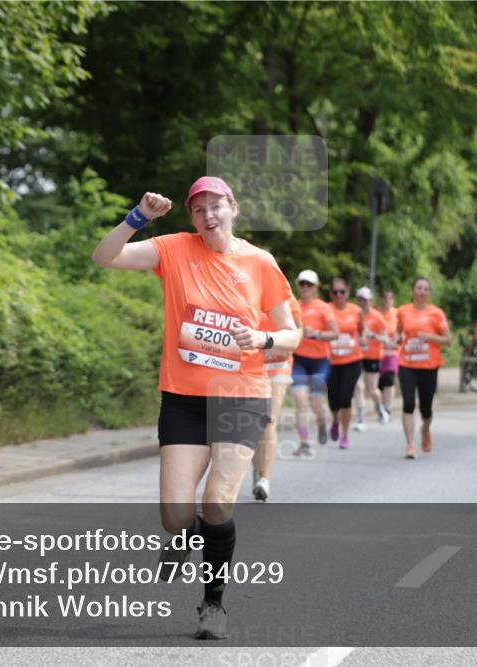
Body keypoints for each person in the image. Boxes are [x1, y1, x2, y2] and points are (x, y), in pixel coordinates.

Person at [91, 177, 299, 640]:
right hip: (184, 400)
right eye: (199, 209)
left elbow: (291, 333)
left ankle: (213, 603)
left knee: (219, 503)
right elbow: (104, 257)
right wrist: (138, 218)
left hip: (241, 393)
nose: (209, 215)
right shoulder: (173, 249)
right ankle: (186, 536)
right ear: (191, 217)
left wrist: (264, 338)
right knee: (175, 517)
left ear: (233, 208)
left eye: (216, 206)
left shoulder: (260, 263)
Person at [252, 294, 303, 501]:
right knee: (253, 423)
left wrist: (284, 345)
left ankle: (265, 479)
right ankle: (258, 469)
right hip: (252, 367)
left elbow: (298, 331)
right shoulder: (246, 290)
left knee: (268, 419)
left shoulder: (285, 295)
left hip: (279, 366)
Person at [396, 277, 452, 459]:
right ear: (412, 291)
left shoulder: (437, 313)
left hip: (429, 365)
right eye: (418, 288)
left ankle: (425, 429)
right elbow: (398, 332)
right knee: (409, 403)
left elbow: (448, 340)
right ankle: (410, 445)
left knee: (426, 408)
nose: (421, 292)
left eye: (425, 289)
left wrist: (429, 336)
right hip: (407, 363)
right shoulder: (403, 311)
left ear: (429, 293)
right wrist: (396, 339)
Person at [290, 270, 338, 458]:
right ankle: (303, 442)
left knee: (316, 401)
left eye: (309, 284)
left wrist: (317, 334)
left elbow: (335, 333)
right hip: (299, 359)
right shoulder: (293, 306)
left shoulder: (323, 308)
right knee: (299, 398)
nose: (305, 288)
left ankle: (321, 422)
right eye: (302, 284)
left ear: (316, 287)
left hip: (320, 361)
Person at [327, 278, 364, 449]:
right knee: (333, 398)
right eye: (335, 292)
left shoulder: (356, 311)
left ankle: (345, 435)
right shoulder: (326, 309)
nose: (338, 295)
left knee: (345, 396)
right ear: (331, 294)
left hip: (352, 359)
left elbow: (361, 330)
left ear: (348, 293)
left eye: (342, 292)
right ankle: (335, 419)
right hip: (331, 360)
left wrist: (361, 340)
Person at [354, 286, 389, 429]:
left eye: (366, 300)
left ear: (371, 301)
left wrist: (372, 335)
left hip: (373, 356)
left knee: (372, 389)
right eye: (361, 300)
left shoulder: (377, 317)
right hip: (357, 355)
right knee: (358, 386)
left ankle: (380, 407)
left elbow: (386, 339)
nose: (363, 303)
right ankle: (361, 419)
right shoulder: (354, 315)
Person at [377, 290, 399, 422]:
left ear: (393, 300)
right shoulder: (377, 314)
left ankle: (387, 408)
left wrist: (394, 341)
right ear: (381, 300)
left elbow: (401, 330)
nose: (387, 301)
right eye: (384, 298)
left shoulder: (397, 314)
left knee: (389, 380)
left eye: (390, 298)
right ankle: (381, 407)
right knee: (380, 384)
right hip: (378, 352)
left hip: (393, 351)